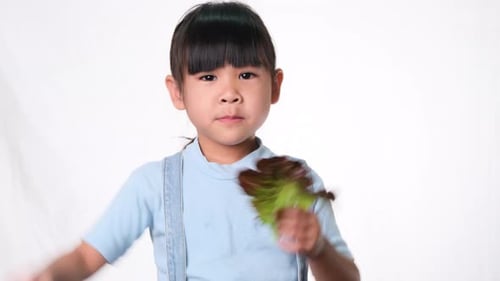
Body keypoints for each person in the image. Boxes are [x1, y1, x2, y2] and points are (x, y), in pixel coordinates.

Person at [29, 2, 360, 281]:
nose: (229, 93)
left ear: (275, 86)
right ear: (177, 92)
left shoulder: (296, 180)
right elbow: (87, 258)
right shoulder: (154, 185)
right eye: (208, 77)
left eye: (246, 75)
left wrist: (318, 247)